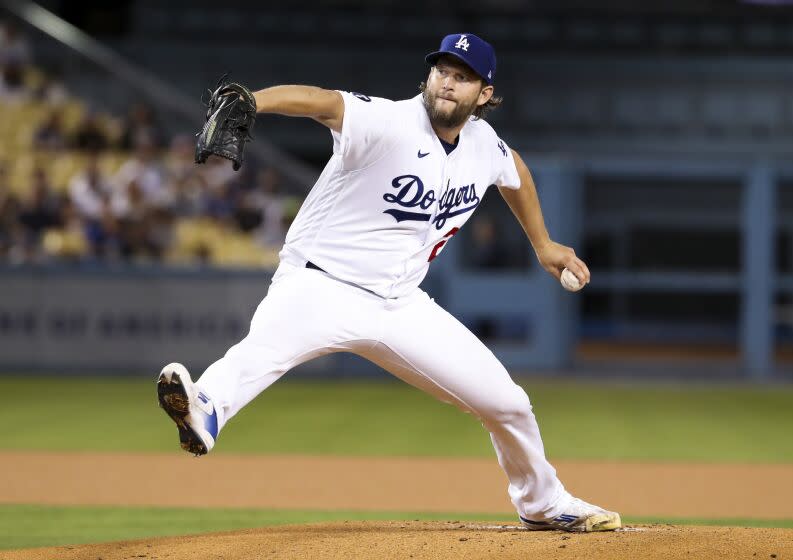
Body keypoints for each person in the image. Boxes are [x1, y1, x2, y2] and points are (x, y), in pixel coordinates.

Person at [157, 33, 620, 533]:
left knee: (507, 403)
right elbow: (324, 103)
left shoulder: (483, 144)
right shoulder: (389, 121)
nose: (447, 82)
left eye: (462, 77)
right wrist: (255, 101)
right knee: (260, 352)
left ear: (484, 94)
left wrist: (544, 244)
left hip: (400, 305)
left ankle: (542, 502)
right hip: (321, 284)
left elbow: (517, 173)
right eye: (442, 71)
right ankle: (204, 409)